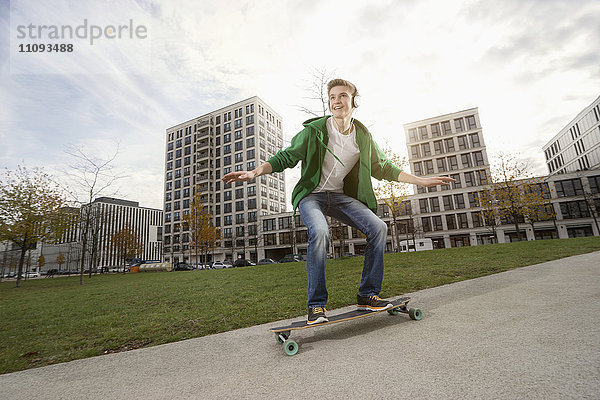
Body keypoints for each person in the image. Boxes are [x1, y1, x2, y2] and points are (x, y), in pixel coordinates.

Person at [223, 78, 454, 325]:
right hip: (312, 196)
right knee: (320, 232)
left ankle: (367, 295)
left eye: (342, 96)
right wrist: (254, 172)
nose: (336, 101)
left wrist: (421, 180)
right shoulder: (314, 132)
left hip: (341, 197)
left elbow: (383, 166)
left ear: (354, 101)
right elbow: (287, 156)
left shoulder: (362, 136)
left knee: (378, 227)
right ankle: (316, 307)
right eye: (332, 97)